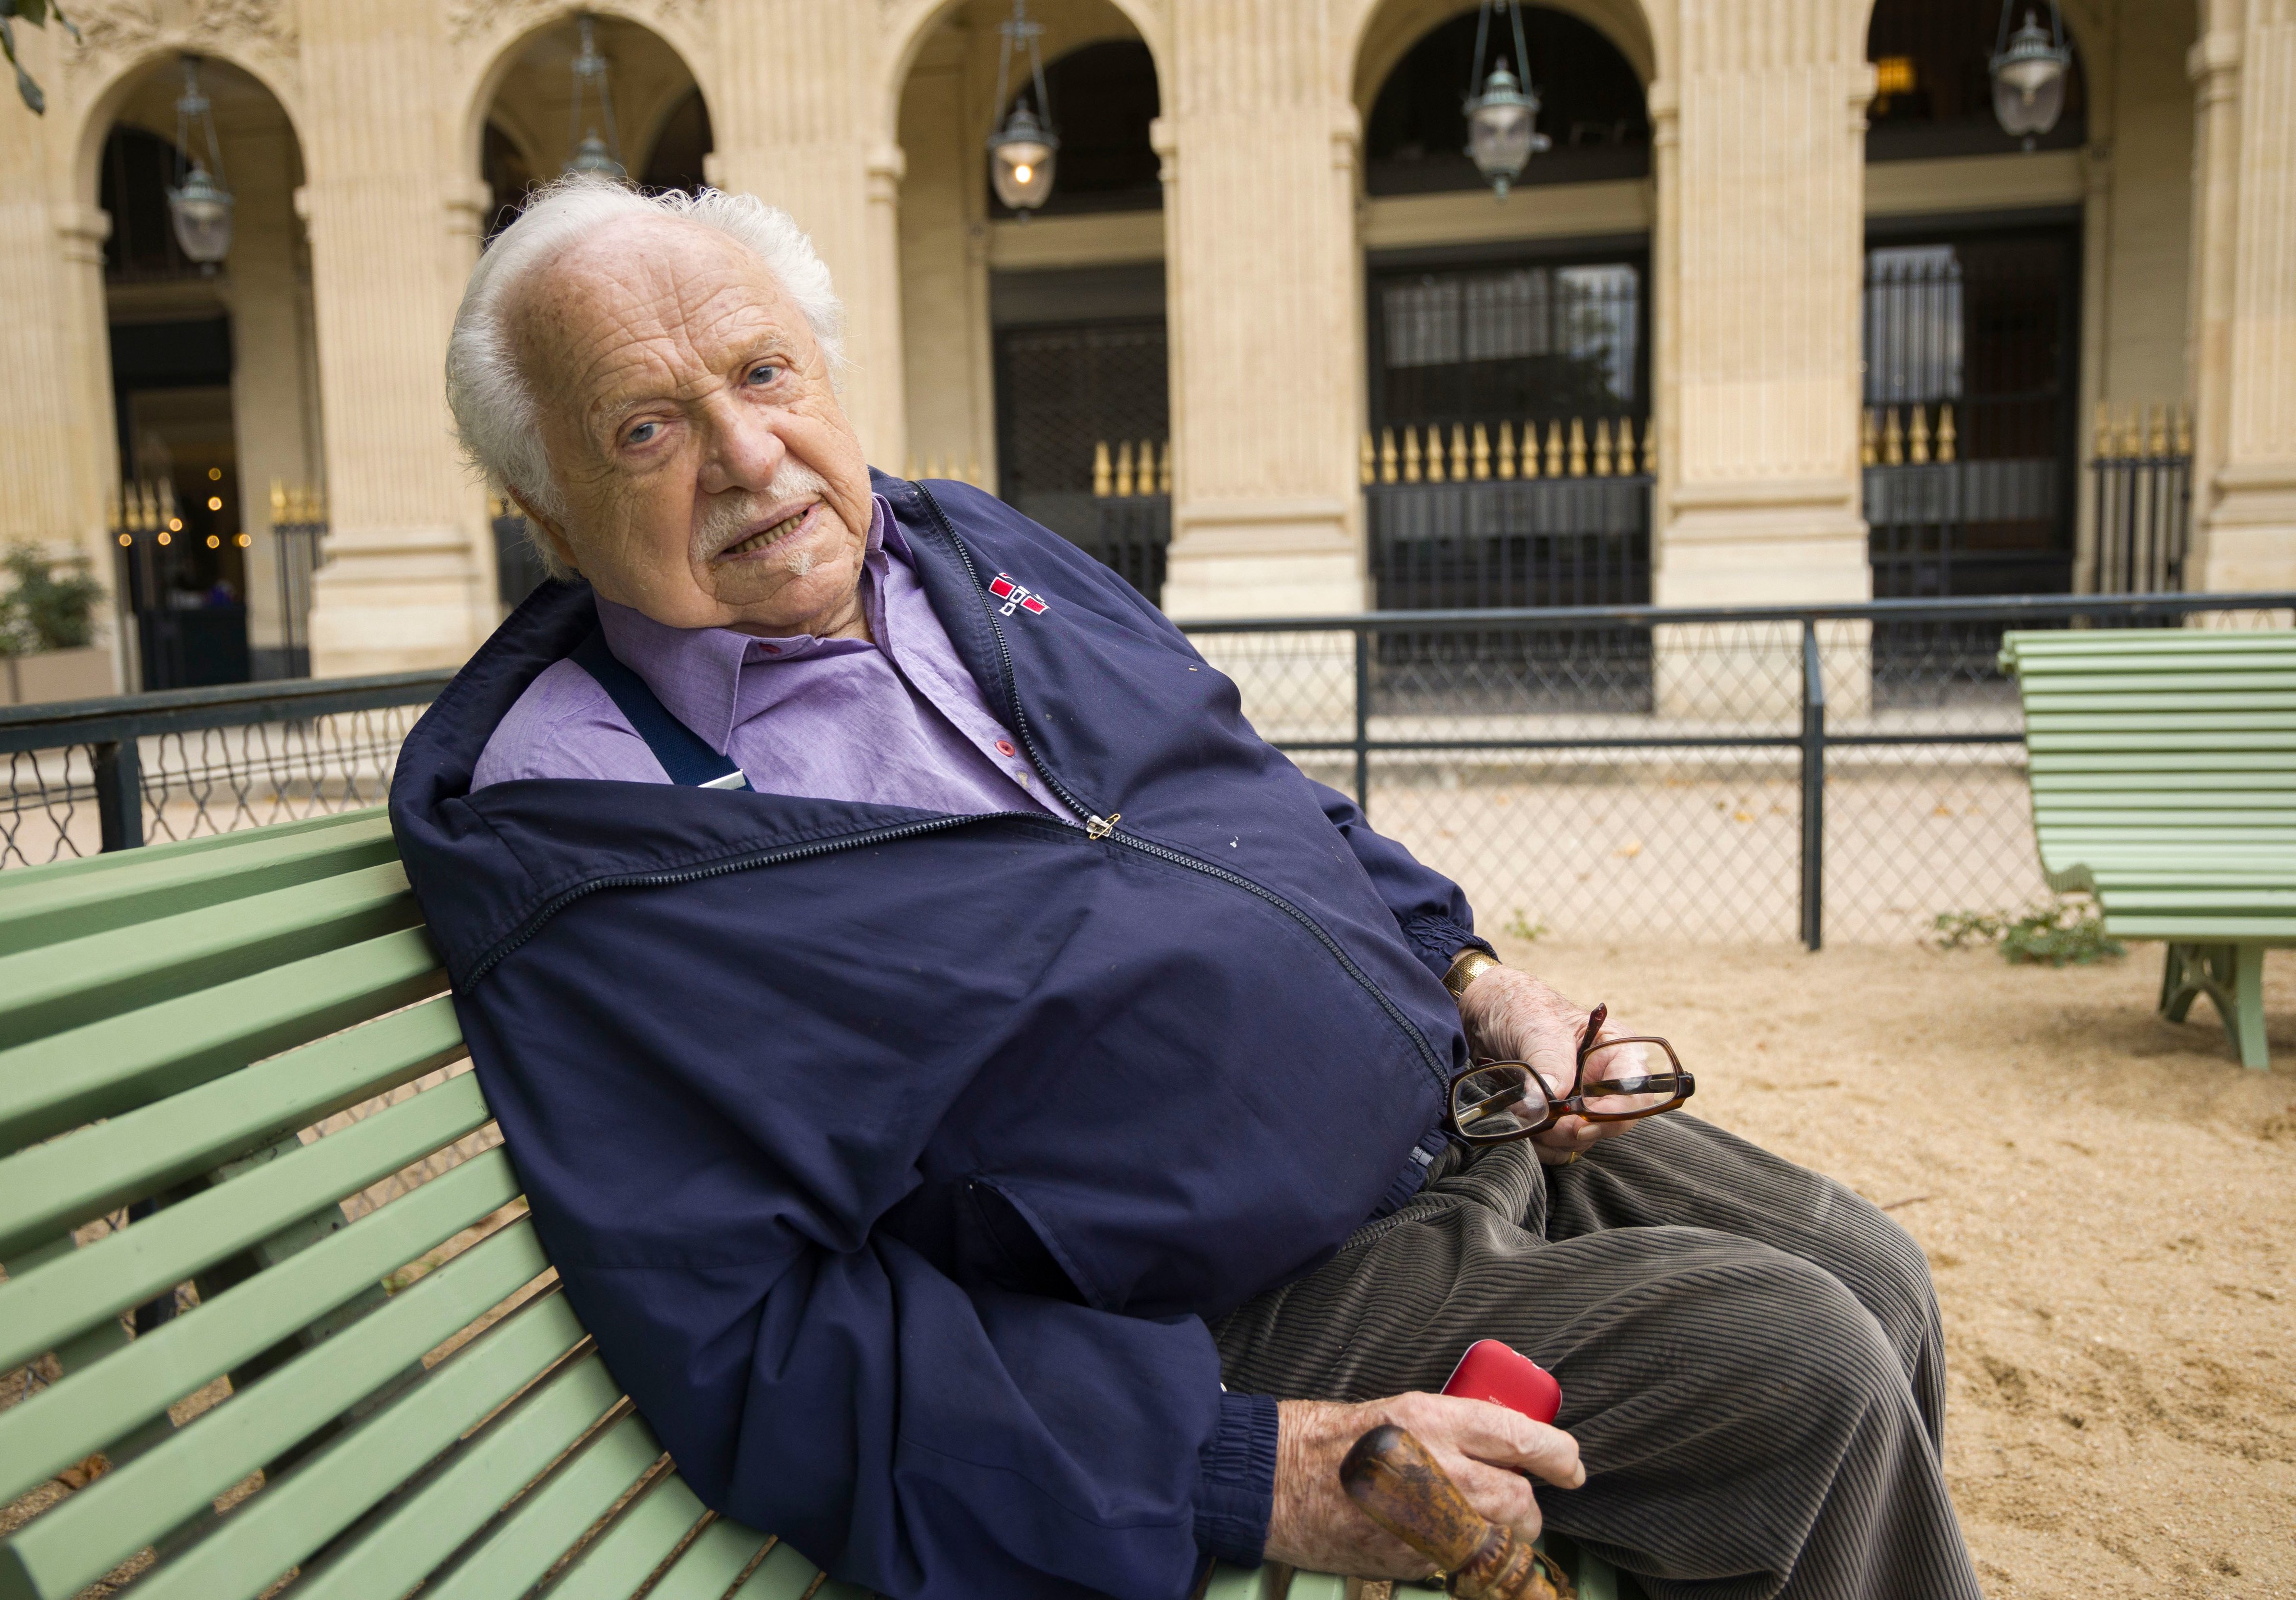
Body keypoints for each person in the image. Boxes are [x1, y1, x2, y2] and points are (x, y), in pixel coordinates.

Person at [389, 175, 1982, 1600]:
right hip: (1229, 1307)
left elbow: (1249, 790)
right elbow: (753, 1344)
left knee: (1874, 1270)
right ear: (548, 513)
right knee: (1801, 1369)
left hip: (1457, 1112)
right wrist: (1232, 1462)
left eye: (763, 372)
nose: (749, 456)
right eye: (645, 428)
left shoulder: (966, 552)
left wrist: (1472, 974)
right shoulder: (583, 832)